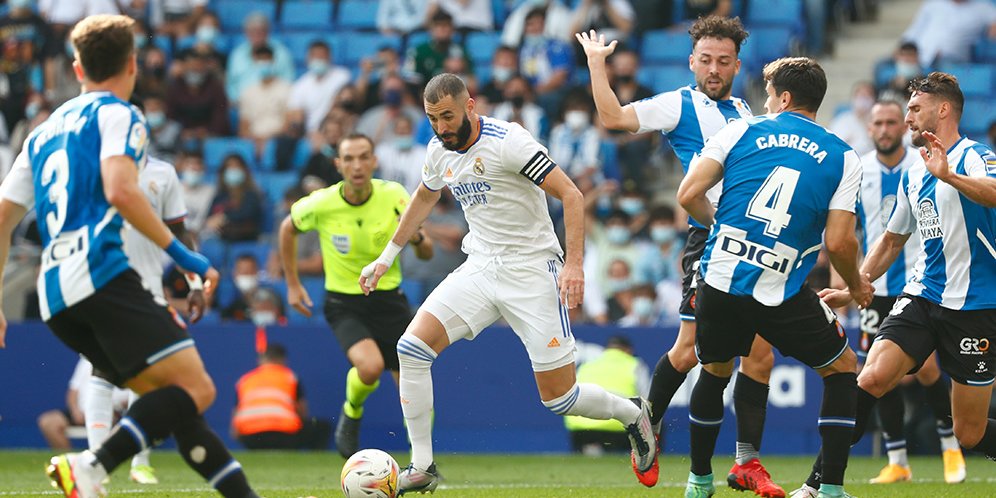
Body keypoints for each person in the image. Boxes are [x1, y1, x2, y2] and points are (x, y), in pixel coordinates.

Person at [358, 73, 657, 494]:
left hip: (533, 270)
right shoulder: (437, 151)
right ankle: (422, 465)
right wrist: (386, 256)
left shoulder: (508, 142)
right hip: (480, 266)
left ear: (470, 105)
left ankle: (632, 414)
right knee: (411, 349)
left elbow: (571, 195)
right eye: (432, 119)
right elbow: (425, 196)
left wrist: (574, 265)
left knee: (560, 400)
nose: (441, 127)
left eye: (447, 116)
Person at [0, 14, 257, 498]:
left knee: (174, 402)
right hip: (102, 275)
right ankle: (92, 466)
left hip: (55, 295)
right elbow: (121, 190)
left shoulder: (42, 132)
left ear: (76, 67)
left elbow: (1, 219)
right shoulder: (119, 114)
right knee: (198, 390)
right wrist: (189, 258)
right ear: (133, 64)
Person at [577, 17, 777, 494]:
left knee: (762, 356)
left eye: (723, 61)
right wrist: (597, 66)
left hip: (752, 244)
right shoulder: (679, 104)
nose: (713, 68)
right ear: (691, 62)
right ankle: (644, 428)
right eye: (705, 59)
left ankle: (747, 461)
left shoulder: (744, 110)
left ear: (736, 65)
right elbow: (614, 118)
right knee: (688, 353)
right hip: (709, 240)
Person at [676, 56, 872, 498]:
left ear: (783, 98)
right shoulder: (843, 155)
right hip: (779, 287)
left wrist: (719, 231)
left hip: (721, 277)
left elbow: (687, 193)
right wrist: (856, 285)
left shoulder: (740, 130)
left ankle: (699, 481)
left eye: (767, 95)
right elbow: (840, 243)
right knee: (842, 369)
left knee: (715, 370)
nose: (764, 102)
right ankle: (832, 490)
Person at [793, 72, 996, 497]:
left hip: (977, 307)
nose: (907, 119)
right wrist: (856, 283)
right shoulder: (913, 173)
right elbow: (890, 240)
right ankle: (817, 487)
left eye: (915, 109)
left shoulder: (976, 156)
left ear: (943, 110)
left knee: (970, 433)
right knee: (868, 380)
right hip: (923, 296)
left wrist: (951, 177)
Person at [279, 133, 434, 458]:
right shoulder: (322, 202)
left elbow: (426, 254)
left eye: (364, 157)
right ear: (338, 164)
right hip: (344, 302)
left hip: (390, 299)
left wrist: (418, 240)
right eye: (349, 158)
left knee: (411, 379)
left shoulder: (394, 195)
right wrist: (293, 284)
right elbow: (286, 229)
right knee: (370, 367)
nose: (357, 165)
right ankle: (352, 412)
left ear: (374, 161)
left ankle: (422, 458)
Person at [848, 99, 966, 485]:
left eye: (891, 122)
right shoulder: (858, 169)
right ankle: (897, 459)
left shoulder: (921, 167)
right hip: (875, 287)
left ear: (903, 126)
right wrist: (847, 278)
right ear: (869, 128)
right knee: (876, 372)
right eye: (877, 122)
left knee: (929, 369)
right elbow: (848, 230)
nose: (884, 129)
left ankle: (950, 446)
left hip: (921, 286)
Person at [82, 155, 206, 486]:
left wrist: (194, 282)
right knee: (102, 369)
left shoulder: (163, 173)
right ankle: (96, 462)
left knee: (150, 375)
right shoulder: (97, 165)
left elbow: (179, 231)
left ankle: (140, 461)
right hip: (101, 284)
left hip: (149, 288)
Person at [232, 344, 331, 450]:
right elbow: (302, 411)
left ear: (261, 359)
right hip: (284, 435)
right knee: (322, 427)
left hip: (251, 437)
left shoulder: (245, 380)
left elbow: (236, 413)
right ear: (282, 359)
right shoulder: (290, 377)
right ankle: (313, 461)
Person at [565, 336, 650, 455]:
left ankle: (590, 450)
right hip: (618, 428)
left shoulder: (587, 365)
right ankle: (647, 458)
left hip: (580, 427)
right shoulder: (635, 364)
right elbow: (646, 402)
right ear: (629, 350)